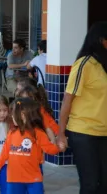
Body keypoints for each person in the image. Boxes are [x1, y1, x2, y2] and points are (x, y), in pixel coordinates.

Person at [57, 22, 107, 194]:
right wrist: (61, 134)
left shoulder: (104, 65)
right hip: (84, 133)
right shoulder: (84, 64)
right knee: (90, 185)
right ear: (101, 40)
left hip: (104, 132)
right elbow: (67, 100)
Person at [0, 98, 61, 194]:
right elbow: (5, 151)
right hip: (14, 178)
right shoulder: (12, 133)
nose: (12, 117)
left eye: (13, 115)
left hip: (33, 178)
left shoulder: (38, 133)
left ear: (23, 115)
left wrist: (58, 146)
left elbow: (50, 149)